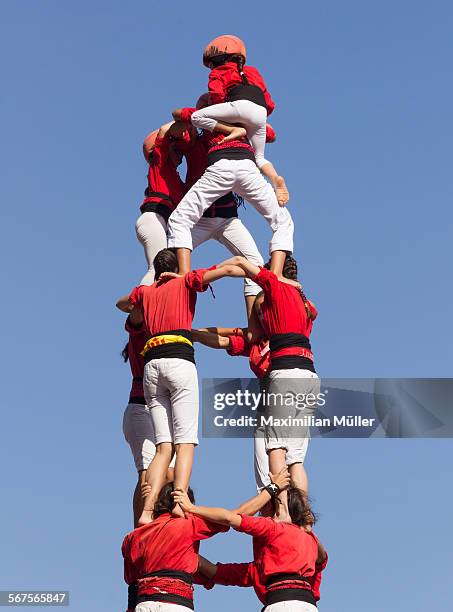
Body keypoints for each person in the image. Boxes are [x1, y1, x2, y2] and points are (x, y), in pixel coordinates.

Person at [116, 248, 247, 524]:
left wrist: (146, 291)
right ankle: (179, 502)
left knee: (164, 447)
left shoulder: (146, 293)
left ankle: (148, 510)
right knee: (185, 442)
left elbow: (122, 304)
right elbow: (227, 270)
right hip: (178, 360)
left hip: (152, 366)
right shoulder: (186, 281)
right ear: (176, 267)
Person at [214, 255, 319, 512]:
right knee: (296, 460)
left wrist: (219, 269)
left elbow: (243, 263)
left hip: (284, 373)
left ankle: (282, 511)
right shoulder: (306, 304)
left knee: (275, 447)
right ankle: (304, 516)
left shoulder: (274, 286)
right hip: (310, 376)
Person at [167, 101, 294, 285]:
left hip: (225, 214)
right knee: (168, 256)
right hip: (208, 213)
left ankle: (182, 276)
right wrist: (240, 121)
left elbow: (177, 116)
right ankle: (275, 276)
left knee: (255, 265)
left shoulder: (205, 123)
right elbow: (271, 134)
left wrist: (203, 117)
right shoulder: (198, 138)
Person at [172, 484, 327, 612]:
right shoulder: (308, 541)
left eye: (264, 505)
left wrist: (191, 508)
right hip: (309, 606)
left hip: (282, 604)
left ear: (275, 508)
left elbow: (233, 516)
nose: (259, 511)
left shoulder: (272, 528)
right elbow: (219, 572)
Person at [190, 35, 289, 205]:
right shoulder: (253, 71)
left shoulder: (218, 72)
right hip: (260, 112)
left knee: (196, 117)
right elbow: (270, 104)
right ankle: (275, 179)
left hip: (239, 107)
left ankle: (233, 129)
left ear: (217, 59)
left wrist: (225, 116)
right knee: (259, 157)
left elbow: (217, 96)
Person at [122, 482, 229, 612]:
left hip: (144, 604)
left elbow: (132, 581)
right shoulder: (187, 523)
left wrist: (148, 502)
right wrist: (192, 509)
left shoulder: (133, 537)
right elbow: (229, 519)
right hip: (175, 603)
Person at [120, 306, 176, 527]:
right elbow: (133, 309)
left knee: (170, 474)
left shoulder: (169, 332)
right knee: (148, 473)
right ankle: (141, 529)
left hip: (162, 412)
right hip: (141, 409)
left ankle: (162, 527)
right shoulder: (141, 331)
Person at [136, 122, 188, 284]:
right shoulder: (159, 162)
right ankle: (139, 306)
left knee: (170, 271)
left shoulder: (177, 181)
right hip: (154, 219)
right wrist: (192, 117)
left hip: (160, 223)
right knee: (156, 270)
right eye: (177, 149)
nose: (181, 155)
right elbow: (164, 131)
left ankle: (149, 306)